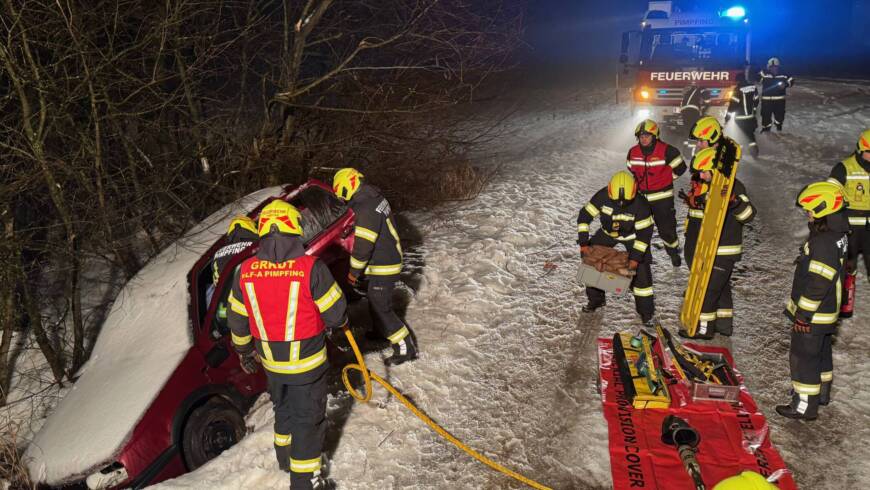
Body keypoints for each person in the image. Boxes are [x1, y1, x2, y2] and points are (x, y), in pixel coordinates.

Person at [227, 199, 347, 489]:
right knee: (308, 422)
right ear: (294, 227)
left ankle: (285, 459)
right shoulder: (311, 268)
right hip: (307, 367)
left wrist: (244, 352)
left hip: (272, 366)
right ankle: (306, 481)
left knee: (283, 410)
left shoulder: (244, 272)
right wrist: (337, 326)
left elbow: (236, 320)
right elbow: (337, 313)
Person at [776, 182, 849, 420]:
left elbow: (818, 284)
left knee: (804, 357)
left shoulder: (823, 242)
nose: (807, 212)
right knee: (821, 352)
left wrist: (803, 315)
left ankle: (803, 405)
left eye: (809, 208)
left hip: (814, 313)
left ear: (822, 208)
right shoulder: (837, 234)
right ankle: (821, 394)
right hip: (828, 310)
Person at [680, 117, 756, 339]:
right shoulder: (707, 177)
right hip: (705, 238)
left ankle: (703, 329)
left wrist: (733, 202)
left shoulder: (730, 186)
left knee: (709, 289)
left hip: (721, 247)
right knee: (719, 287)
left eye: (703, 141)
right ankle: (724, 325)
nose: (699, 145)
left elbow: (748, 215)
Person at [332, 167, 417, 365]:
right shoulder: (373, 197)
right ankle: (381, 332)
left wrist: (353, 273)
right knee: (375, 299)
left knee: (381, 306)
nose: (341, 198)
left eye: (340, 193)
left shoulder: (365, 207)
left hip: (384, 264)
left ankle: (405, 348)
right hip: (388, 257)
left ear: (346, 186)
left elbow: (363, 248)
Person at [577, 171, 656, 326]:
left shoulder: (642, 205)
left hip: (633, 237)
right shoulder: (602, 196)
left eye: (625, 202)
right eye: (616, 201)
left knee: (642, 274)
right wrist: (584, 244)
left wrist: (635, 259)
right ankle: (596, 301)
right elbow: (584, 218)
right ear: (609, 190)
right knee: (591, 264)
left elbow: (643, 236)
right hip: (608, 234)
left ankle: (646, 314)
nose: (621, 204)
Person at [626, 119, 687, 266]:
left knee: (667, 230)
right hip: (641, 199)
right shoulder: (632, 152)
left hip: (662, 199)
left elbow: (681, 168)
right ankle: (644, 259)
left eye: (647, 135)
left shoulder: (668, 151)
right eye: (641, 136)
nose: (644, 139)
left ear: (655, 136)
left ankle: (673, 253)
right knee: (640, 230)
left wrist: (666, 179)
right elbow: (631, 169)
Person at [827, 129, 870, 318]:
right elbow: (830, 195)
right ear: (860, 150)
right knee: (847, 269)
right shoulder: (843, 168)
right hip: (849, 229)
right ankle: (845, 305)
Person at [726, 72, 759, 156]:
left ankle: (739, 154)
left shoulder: (737, 89)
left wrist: (727, 117)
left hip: (740, 118)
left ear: (738, 81)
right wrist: (753, 110)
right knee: (750, 135)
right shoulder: (753, 87)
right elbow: (756, 100)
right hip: (750, 117)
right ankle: (754, 152)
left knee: (740, 136)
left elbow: (733, 105)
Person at [758, 57, 794, 132]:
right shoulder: (764, 73)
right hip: (766, 101)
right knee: (765, 115)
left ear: (778, 67)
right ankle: (766, 129)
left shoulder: (784, 73)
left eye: (775, 67)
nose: (774, 69)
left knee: (780, 116)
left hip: (779, 101)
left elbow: (791, 79)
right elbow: (757, 78)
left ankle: (779, 128)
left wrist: (786, 84)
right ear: (768, 67)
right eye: (772, 67)